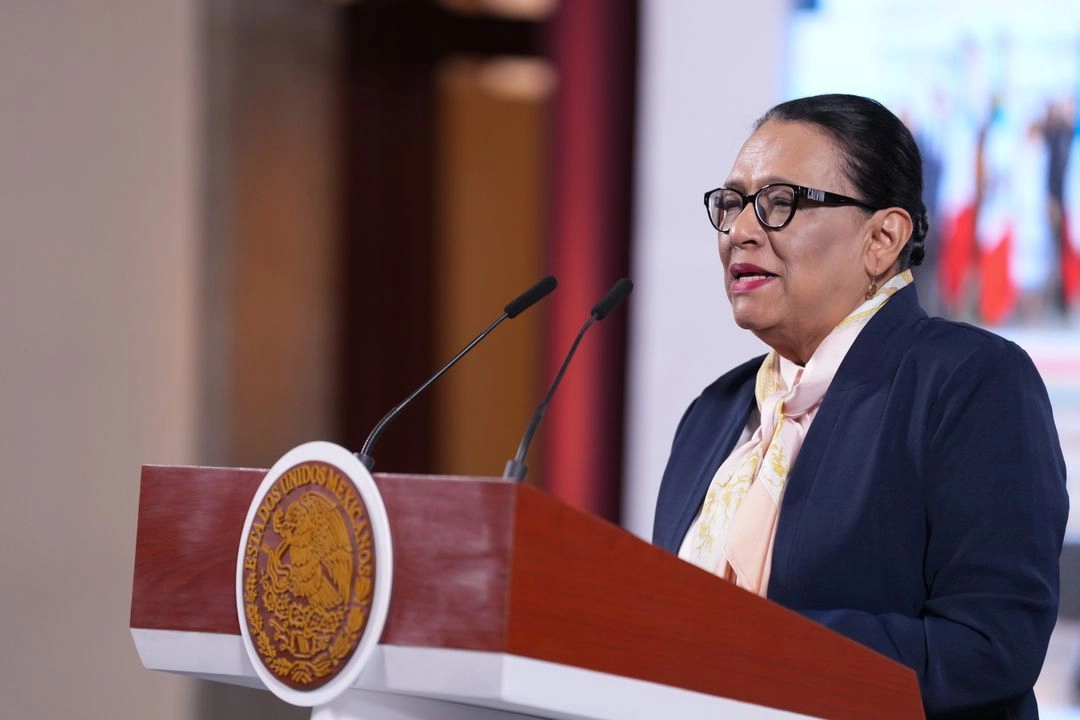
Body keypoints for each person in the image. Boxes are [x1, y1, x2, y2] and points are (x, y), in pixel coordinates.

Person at [652, 93, 1067, 719]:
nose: (739, 231)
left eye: (780, 202)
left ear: (882, 238)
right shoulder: (713, 414)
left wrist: (756, 646)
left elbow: (989, 648)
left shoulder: (971, 382)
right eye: (732, 203)